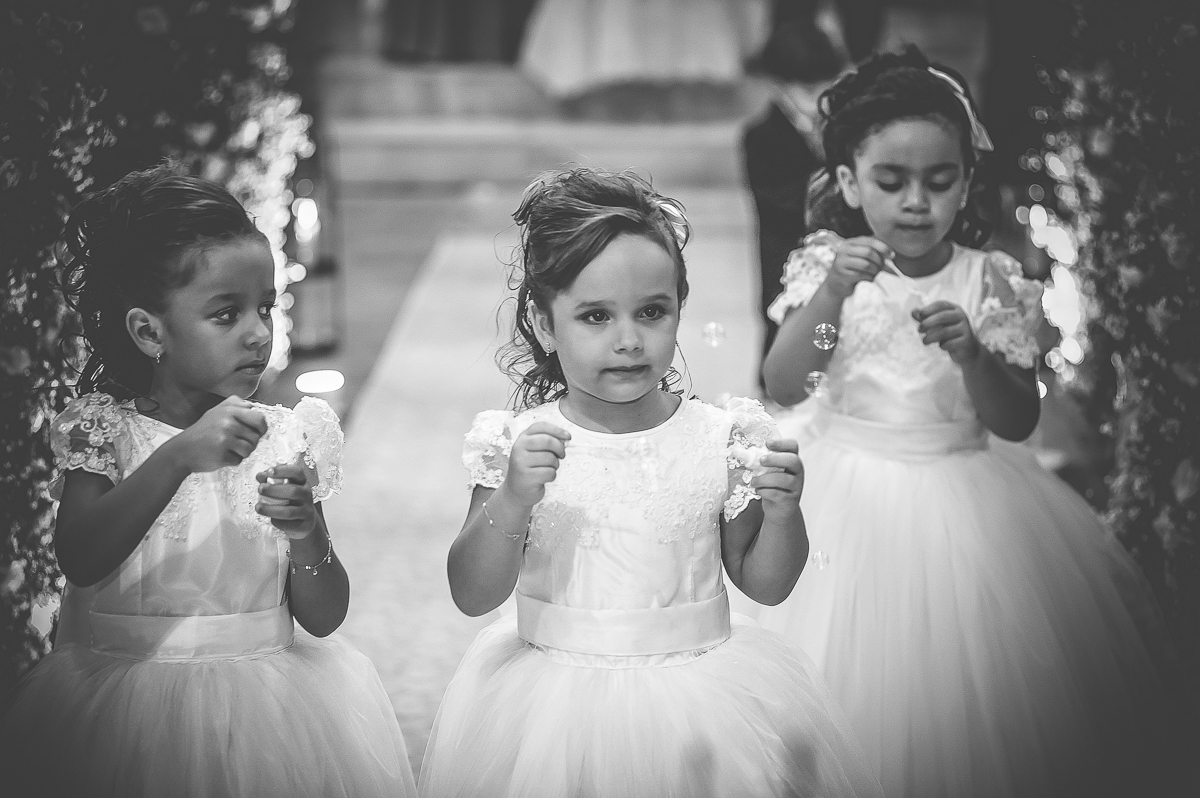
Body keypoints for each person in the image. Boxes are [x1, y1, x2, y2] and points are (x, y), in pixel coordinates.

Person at [759, 46, 1186, 798]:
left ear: (965, 184)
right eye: (891, 181)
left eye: (939, 180)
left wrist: (974, 356)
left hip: (965, 493)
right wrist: (830, 296)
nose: (915, 202)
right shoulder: (828, 266)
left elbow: (1016, 420)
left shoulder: (991, 278)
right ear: (851, 183)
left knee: (964, 695)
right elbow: (787, 381)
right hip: (844, 490)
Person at [419, 168, 882, 797]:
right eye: (595, 316)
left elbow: (768, 586)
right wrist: (513, 499)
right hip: (556, 707)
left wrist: (782, 514)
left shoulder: (723, 438)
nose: (630, 340)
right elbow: (472, 594)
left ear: (679, 309)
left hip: (702, 699)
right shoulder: (514, 444)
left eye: (652, 312)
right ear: (545, 324)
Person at [0, 166, 416, 798]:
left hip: (266, 714)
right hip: (121, 710)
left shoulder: (287, 436)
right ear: (149, 332)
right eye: (226, 314)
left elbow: (325, 615)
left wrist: (306, 532)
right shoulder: (106, 432)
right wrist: (177, 457)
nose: (259, 332)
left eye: (265, 307)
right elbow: (80, 558)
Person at [742, 0, 883, 386]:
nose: (818, 95)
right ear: (775, 84)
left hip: (841, 249)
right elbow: (779, 199)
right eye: (805, 88)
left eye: (826, 83)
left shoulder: (845, 126)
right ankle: (773, 385)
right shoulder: (761, 136)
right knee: (783, 319)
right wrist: (840, 194)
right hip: (787, 250)